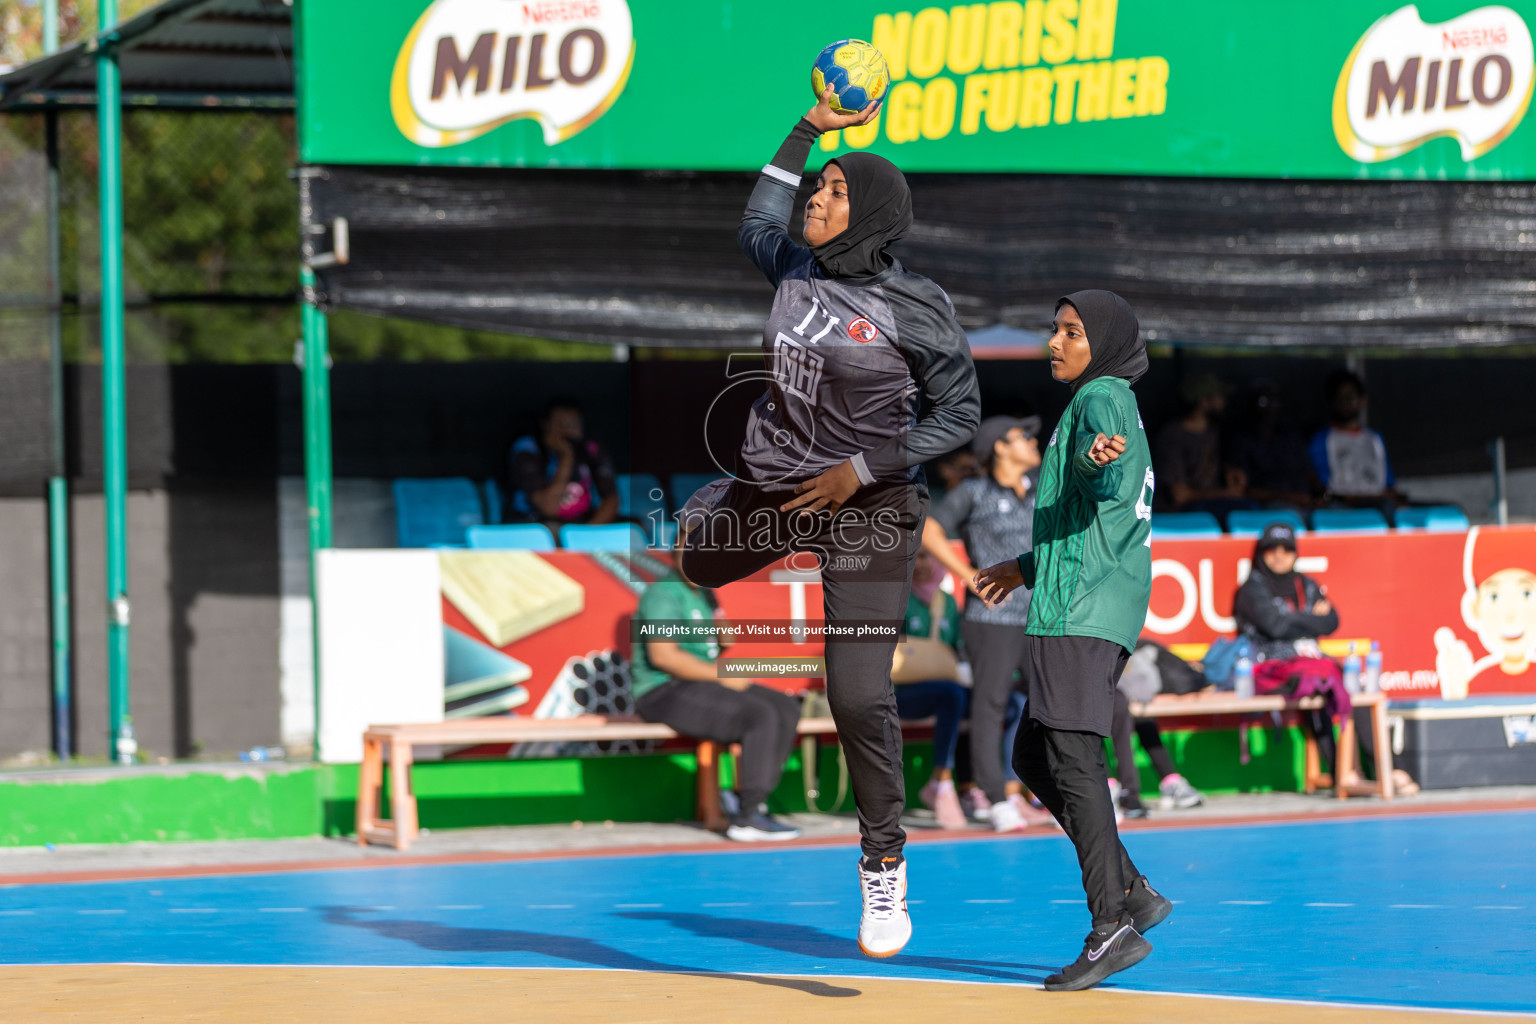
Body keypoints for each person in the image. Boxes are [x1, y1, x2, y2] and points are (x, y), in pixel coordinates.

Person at [676, 85, 980, 959]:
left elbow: (958, 415)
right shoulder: (794, 269)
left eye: (837, 191)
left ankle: (883, 866)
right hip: (778, 489)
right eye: (817, 188)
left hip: (872, 506)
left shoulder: (916, 304)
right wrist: (808, 130)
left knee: (854, 693)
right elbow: (756, 216)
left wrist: (864, 468)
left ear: (874, 214)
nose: (816, 197)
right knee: (693, 566)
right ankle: (713, 503)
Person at [974, 291, 1169, 992]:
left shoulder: (1102, 397)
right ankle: (1132, 892)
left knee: (1073, 757)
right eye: (1054, 329)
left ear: (1105, 342)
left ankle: (1110, 926)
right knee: (1034, 753)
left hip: (1080, 610)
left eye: (1071, 331)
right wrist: (1021, 568)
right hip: (1083, 597)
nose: (1054, 341)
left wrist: (1092, 462)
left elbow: (1105, 478)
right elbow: (1092, 515)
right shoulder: (1099, 399)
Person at [923, 414, 1054, 833]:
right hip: (991, 616)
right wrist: (969, 578)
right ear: (1000, 446)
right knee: (991, 704)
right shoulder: (974, 492)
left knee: (1050, 703)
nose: (1033, 441)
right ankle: (996, 799)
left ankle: (1045, 791)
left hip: (1041, 615)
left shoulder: (1042, 488)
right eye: (1023, 436)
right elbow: (928, 530)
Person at [630, 564, 803, 842]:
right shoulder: (663, 593)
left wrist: (717, 612)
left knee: (785, 707)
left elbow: (723, 643)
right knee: (758, 715)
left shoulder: (703, 593)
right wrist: (720, 674)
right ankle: (747, 817)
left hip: (700, 683)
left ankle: (750, 802)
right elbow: (664, 657)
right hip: (660, 690)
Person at [1232, 521, 1357, 786]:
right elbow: (1274, 627)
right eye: (1272, 549)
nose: (1279, 555)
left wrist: (1291, 619)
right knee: (1317, 683)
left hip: (1310, 663)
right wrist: (1311, 618)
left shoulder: (1305, 584)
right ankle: (1341, 773)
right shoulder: (1252, 589)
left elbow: (1332, 620)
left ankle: (1379, 770)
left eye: (1286, 549)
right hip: (1272, 668)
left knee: (1354, 688)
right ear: (1261, 553)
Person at [894, 548, 971, 831]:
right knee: (951, 694)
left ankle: (977, 786)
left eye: (929, 556)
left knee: (1007, 702)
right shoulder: (899, 600)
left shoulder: (947, 603)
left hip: (946, 690)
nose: (923, 564)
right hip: (903, 693)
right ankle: (942, 782)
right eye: (917, 556)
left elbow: (959, 650)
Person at [1153, 372, 1253, 522]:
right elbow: (1180, 496)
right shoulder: (1173, 436)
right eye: (1219, 396)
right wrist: (1227, 493)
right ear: (1203, 402)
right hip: (1180, 516)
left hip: (1214, 508)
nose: (1224, 402)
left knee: (1249, 509)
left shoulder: (1217, 432)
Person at [508, 397, 618, 526]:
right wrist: (566, 456)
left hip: (582, 524)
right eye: (561, 425)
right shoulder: (529, 449)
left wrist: (587, 533)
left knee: (632, 527)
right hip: (537, 523)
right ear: (545, 425)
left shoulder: (590, 448)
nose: (568, 431)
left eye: (574, 425)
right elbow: (548, 508)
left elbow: (611, 499)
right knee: (552, 530)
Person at [1308, 370, 1402, 512]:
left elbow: (1388, 483)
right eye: (1339, 398)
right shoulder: (1321, 440)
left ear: (1362, 400)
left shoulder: (1375, 439)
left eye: (1350, 397)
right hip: (1340, 506)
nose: (1344, 403)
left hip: (1378, 505)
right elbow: (1323, 488)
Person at [1227, 382, 1316, 509]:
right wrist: (1288, 497)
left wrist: (1318, 495)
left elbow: (1309, 473)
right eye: (1263, 402)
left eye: (1274, 401)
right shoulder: (1242, 441)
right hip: (1268, 506)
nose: (1270, 407)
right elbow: (1243, 490)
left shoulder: (1291, 436)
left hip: (1305, 502)